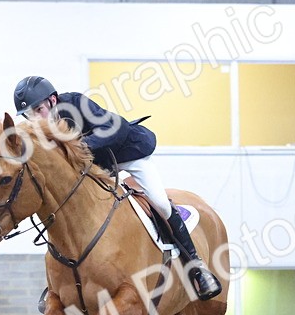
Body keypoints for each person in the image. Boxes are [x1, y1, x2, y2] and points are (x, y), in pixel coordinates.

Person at [12, 75, 222, 301]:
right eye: (28, 114)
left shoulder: (76, 104)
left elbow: (115, 128)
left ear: (53, 100)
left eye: (38, 109)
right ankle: (59, 282)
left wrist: (79, 147)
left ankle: (196, 266)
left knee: (160, 203)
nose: (34, 117)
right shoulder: (39, 129)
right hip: (97, 165)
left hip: (127, 153)